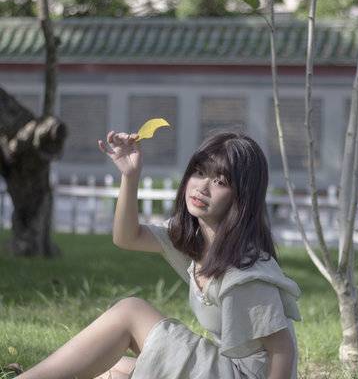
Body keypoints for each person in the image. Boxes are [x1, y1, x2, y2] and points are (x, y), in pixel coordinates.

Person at [17, 129, 301, 379]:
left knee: (131, 311)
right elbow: (127, 237)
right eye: (200, 172)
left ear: (242, 196)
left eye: (220, 181)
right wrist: (130, 176)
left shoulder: (245, 271)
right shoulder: (197, 240)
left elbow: (282, 350)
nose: (202, 187)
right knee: (112, 369)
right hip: (222, 369)